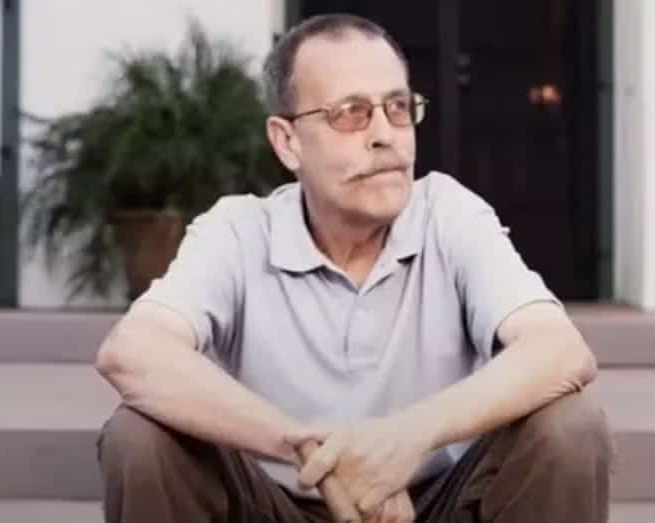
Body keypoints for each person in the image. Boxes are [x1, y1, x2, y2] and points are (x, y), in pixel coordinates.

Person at [94, 13, 612, 523]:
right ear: (287, 141)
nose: (385, 135)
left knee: (569, 425)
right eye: (350, 113)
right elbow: (133, 351)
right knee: (140, 437)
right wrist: (309, 451)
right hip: (272, 504)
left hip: (429, 506)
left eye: (398, 107)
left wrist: (406, 440)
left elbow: (559, 350)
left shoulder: (449, 214)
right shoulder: (238, 230)